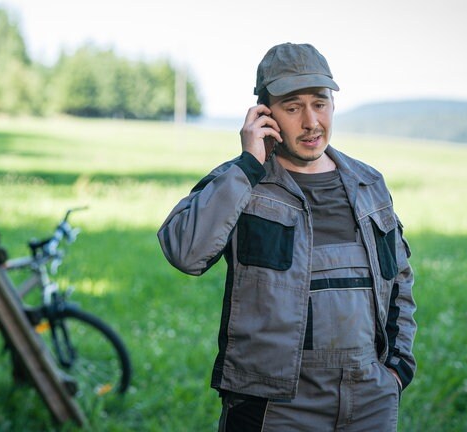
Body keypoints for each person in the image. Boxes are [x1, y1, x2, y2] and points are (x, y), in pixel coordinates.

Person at [157, 42, 416, 431]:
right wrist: (247, 166)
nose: (311, 121)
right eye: (293, 108)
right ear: (265, 114)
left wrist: (396, 370)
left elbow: (399, 281)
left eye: (321, 103)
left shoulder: (369, 184)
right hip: (274, 405)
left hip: (368, 400)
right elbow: (185, 252)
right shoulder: (242, 182)